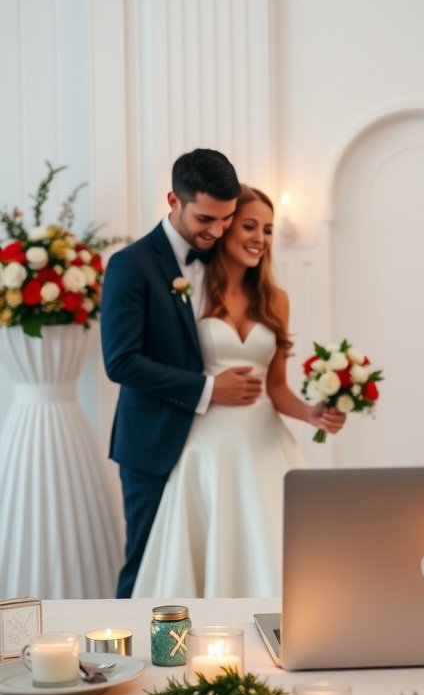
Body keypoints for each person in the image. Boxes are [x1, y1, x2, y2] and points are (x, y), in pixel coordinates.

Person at [132, 185, 345, 599]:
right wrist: (212, 388)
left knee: (274, 549)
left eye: (267, 230)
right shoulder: (188, 290)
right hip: (205, 445)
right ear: (225, 228)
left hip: (266, 444)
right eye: (249, 226)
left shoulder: (276, 300)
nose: (260, 238)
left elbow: (276, 387)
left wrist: (312, 414)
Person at [101, 150, 262, 598]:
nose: (217, 230)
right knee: (147, 565)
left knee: (209, 567)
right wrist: (210, 389)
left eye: (228, 218)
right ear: (173, 199)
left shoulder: (228, 261)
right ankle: (123, 663)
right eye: (206, 218)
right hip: (153, 442)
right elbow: (121, 362)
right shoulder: (130, 265)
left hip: (219, 452)